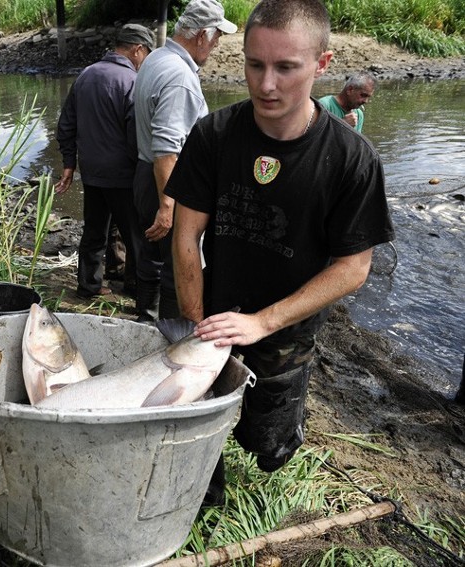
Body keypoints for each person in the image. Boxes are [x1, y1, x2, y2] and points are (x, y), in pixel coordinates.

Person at [166, 0, 394, 501]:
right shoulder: (214, 135)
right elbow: (186, 235)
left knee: (267, 445)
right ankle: (204, 486)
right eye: (255, 64)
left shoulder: (352, 159)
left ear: (322, 64)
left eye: (286, 68)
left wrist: (263, 322)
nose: (266, 85)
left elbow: (354, 268)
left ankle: (272, 437)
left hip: (286, 330)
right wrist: (197, 323)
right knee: (195, 427)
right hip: (211, 312)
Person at [132, 0, 237, 321]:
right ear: (203, 35)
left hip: (145, 174)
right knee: (179, 264)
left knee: (153, 256)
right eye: (217, 36)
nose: (218, 44)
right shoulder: (179, 77)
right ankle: (169, 338)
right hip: (167, 183)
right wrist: (168, 207)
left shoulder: (156, 59)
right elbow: (167, 150)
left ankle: (146, 319)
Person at [55, 23, 155, 299]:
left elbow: (66, 124)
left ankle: (89, 286)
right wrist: (147, 170)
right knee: (136, 235)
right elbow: (136, 136)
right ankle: (138, 289)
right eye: (146, 54)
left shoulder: (86, 75)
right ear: (137, 50)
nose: (145, 62)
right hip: (123, 175)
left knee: (94, 231)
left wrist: (68, 163)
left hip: (92, 172)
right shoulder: (133, 82)